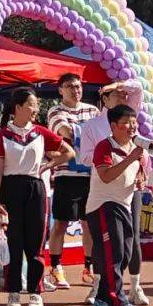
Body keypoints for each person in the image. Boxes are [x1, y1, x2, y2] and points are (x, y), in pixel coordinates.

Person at [0, 87, 73, 306]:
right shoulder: (2, 136)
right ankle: (14, 291)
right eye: (32, 104)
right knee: (14, 242)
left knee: (36, 243)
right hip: (10, 189)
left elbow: (69, 152)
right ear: (18, 107)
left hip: (36, 189)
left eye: (36, 104)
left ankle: (36, 293)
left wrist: (49, 165)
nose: (36, 109)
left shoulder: (41, 132)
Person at [77, 81, 150, 306]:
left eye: (123, 94)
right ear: (104, 99)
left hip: (127, 194)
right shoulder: (95, 128)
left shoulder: (130, 124)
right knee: (110, 248)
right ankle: (107, 294)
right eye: (114, 94)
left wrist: (139, 172)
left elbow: (138, 88)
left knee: (129, 244)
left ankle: (133, 286)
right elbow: (87, 159)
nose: (121, 95)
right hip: (105, 196)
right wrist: (112, 157)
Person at [45, 73, 99, 289]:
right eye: (69, 87)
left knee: (89, 225)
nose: (75, 90)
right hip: (66, 175)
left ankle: (89, 267)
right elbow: (65, 133)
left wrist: (81, 136)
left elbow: (98, 136)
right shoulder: (55, 111)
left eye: (78, 86)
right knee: (60, 223)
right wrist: (89, 134)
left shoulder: (93, 110)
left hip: (91, 176)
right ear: (61, 90)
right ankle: (56, 268)